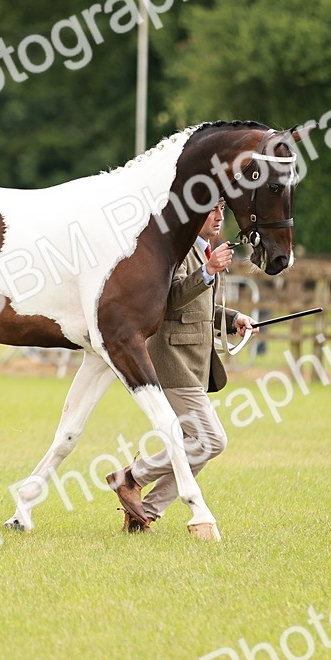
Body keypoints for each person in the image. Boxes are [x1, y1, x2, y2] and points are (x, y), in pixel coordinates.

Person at [107, 200, 258, 532]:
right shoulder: (179, 250)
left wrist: (233, 319)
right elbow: (170, 300)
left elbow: (201, 310)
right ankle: (132, 476)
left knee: (197, 448)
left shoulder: (206, 250)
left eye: (222, 210)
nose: (219, 217)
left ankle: (144, 512)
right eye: (212, 210)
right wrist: (208, 272)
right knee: (212, 441)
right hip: (173, 361)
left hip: (194, 363)